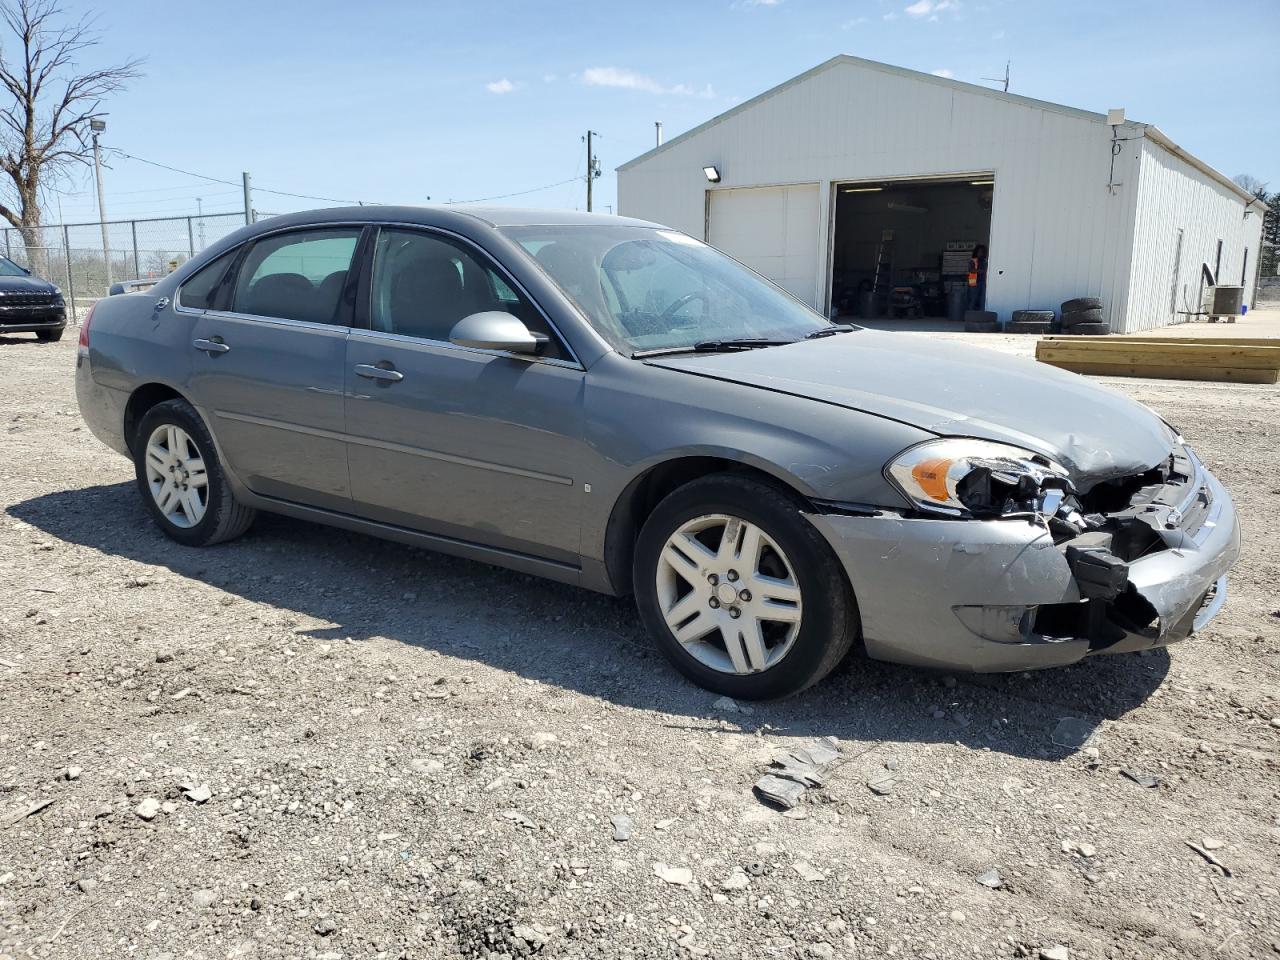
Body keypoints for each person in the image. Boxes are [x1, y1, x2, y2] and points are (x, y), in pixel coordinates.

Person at [967, 244, 988, 310]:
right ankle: (970, 314)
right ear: (976, 252)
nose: (981, 253)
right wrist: (979, 271)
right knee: (973, 299)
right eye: (979, 252)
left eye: (982, 252)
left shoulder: (985, 261)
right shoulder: (973, 260)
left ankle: (981, 314)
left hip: (983, 282)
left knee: (983, 299)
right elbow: (970, 269)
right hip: (974, 283)